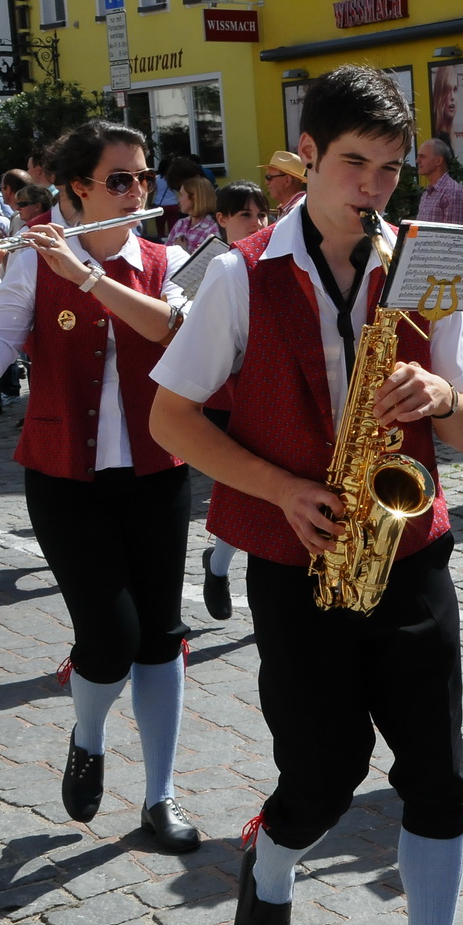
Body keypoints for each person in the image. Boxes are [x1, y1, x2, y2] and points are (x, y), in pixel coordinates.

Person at [149, 65, 463, 925]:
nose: (374, 190)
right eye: (352, 164)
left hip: (410, 551)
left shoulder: (425, 257)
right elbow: (170, 420)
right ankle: (273, 860)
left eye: (389, 169)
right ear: (307, 156)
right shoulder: (237, 273)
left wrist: (444, 393)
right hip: (297, 560)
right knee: (322, 774)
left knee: (436, 779)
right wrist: (281, 490)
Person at [0, 119, 200, 854]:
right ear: (76, 191)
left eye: (142, 177)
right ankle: (88, 735)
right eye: (119, 180)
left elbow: (171, 333)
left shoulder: (170, 257)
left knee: (161, 639)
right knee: (111, 637)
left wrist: (90, 276)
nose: (137, 191)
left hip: (158, 473)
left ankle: (160, 795)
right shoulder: (31, 262)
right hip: (66, 479)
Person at [194, 180, 273, 622]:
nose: (257, 223)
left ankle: (226, 567)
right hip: (222, 394)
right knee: (240, 488)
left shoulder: (269, 261)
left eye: (262, 215)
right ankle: (220, 566)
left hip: (259, 389)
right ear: (221, 219)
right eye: (245, 215)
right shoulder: (213, 265)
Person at [415, 138, 463, 225]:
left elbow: (453, 235)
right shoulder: (427, 194)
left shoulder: (453, 193)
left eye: (423, 157)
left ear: (438, 161)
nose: (417, 161)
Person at [167, 176, 220, 253]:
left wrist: (183, 252)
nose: (178, 199)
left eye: (181, 195)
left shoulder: (213, 229)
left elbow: (211, 262)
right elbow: (165, 253)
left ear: (194, 197)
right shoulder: (180, 224)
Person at [260, 151, 306, 218]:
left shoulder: (297, 210)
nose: (266, 182)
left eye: (269, 177)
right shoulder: (294, 207)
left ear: (287, 180)